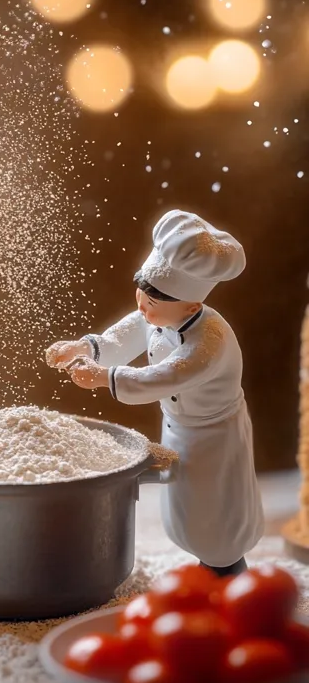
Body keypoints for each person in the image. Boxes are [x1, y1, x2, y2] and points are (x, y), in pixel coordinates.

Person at [46, 209, 264, 577]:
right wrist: (83, 348)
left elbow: (165, 376)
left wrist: (105, 378)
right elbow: (121, 336)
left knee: (217, 510)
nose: (143, 309)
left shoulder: (210, 340)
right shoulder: (156, 315)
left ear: (192, 305)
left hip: (216, 435)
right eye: (141, 298)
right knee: (185, 505)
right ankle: (205, 565)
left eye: (153, 304)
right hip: (179, 427)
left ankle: (229, 572)